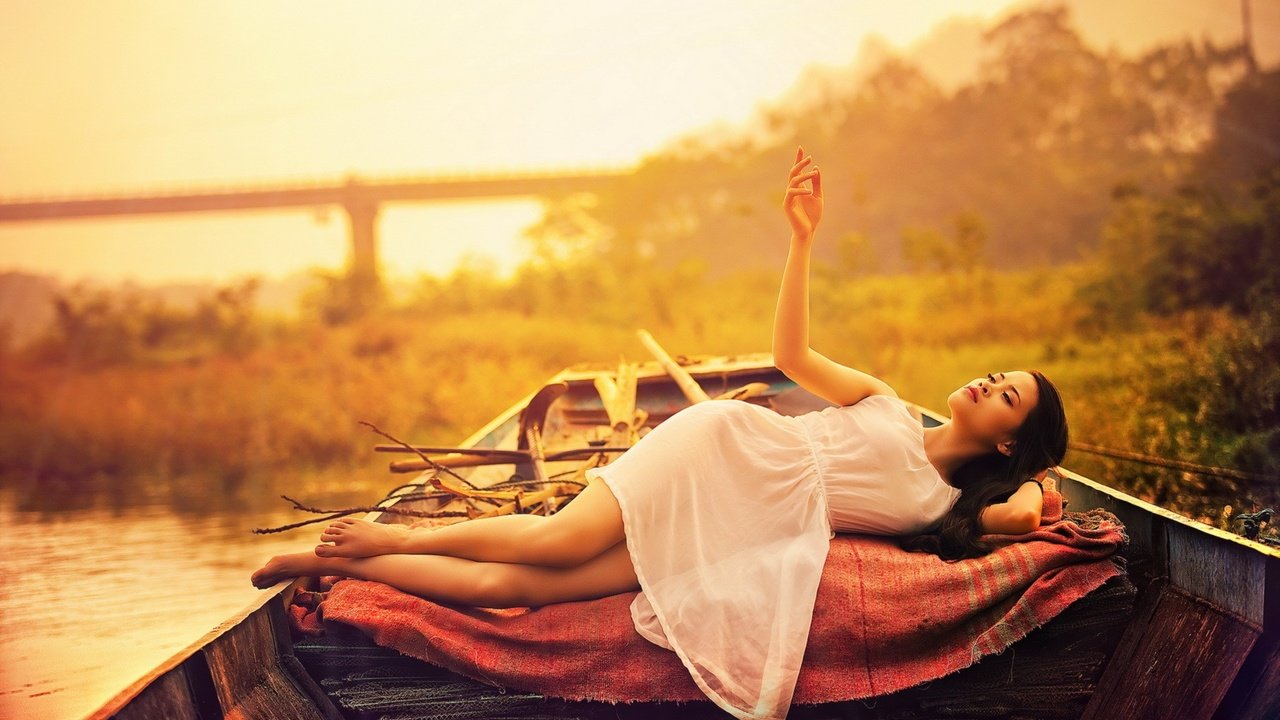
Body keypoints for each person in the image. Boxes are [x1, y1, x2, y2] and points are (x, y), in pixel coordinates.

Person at [250, 147, 1068, 720]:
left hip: (739, 528)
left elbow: (1028, 517)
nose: (986, 383)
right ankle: (361, 541)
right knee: (552, 544)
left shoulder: (943, 506)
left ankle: (364, 569)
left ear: (1008, 444)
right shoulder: (887, 403)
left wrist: (1042, 482)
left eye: (1006, 397)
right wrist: (802, 240)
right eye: (996, 375)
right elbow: (789, 356)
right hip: (719, 451)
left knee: (522, 593)